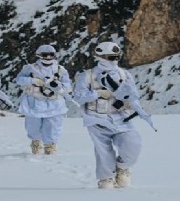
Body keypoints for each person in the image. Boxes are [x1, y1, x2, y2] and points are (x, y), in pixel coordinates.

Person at [73, 42, 150, 189]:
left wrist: (130, 103)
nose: (113, 60)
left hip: (121, 117)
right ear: (99, 57)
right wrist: (97, 94)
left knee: (133, 144)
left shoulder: (124, 74)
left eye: (116, 57)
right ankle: (106, 178)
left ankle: (122, 167)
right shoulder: (87, 76)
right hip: (97, 119)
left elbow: (133, 94)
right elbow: (78, 97)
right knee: (104, 152)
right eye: (109, 57)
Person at [15, 44, 72, 155]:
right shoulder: (30, 68)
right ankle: (35, 142)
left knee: (53, 125)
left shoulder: (61, 70)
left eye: (51, 54)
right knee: (33, 126)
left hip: (54, 102)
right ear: (39, 55)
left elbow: (67, 86)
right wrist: (32, 80)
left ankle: (50, 145)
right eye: (45, 54)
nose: (48, 57)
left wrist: (57, 85)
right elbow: (19, 79)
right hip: (34, 101)